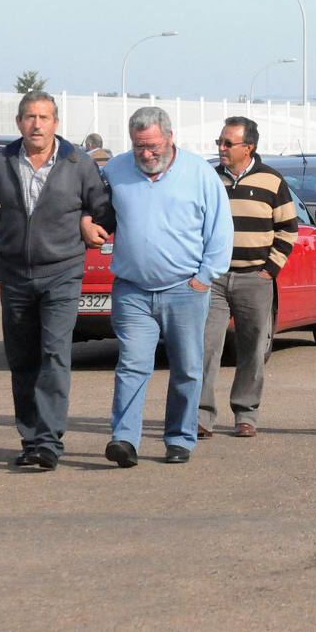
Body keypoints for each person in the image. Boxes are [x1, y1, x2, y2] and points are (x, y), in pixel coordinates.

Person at [0, 91, 111, 471]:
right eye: (30, 117)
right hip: (16, 275)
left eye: (44, 117)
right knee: (22, 360)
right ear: (19, 122)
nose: (37, 124)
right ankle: (30, 438)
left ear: (56, 122)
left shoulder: (77, 162)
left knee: (54, 354)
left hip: (62, 273)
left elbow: (103, 208)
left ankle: (49, 441)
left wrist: (88, 223)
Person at [89, 107, 232, 467]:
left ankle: (180, 438)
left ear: (170, 138)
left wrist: (204, 277)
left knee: (186, 367)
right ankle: (124, 439)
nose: (147, 154)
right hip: (133, 290)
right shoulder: (116, 171)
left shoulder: (200, 173)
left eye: (153, 146)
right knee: (132, 365)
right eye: (140, 147)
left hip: (186, 288)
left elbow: (220, 230)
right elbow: (97, 213)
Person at [198, 116, 298, 440]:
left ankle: (246, 414)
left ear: (249, 146)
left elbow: (288, 229)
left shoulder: (272, 181)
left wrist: (269, 269)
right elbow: (194, 224)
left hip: (254, 278)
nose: (222, 148)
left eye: (228, 143)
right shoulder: (210, 179)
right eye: (220, 142)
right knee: (205, 347)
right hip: (213, 279)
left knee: (252, 348)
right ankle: (200, 416)